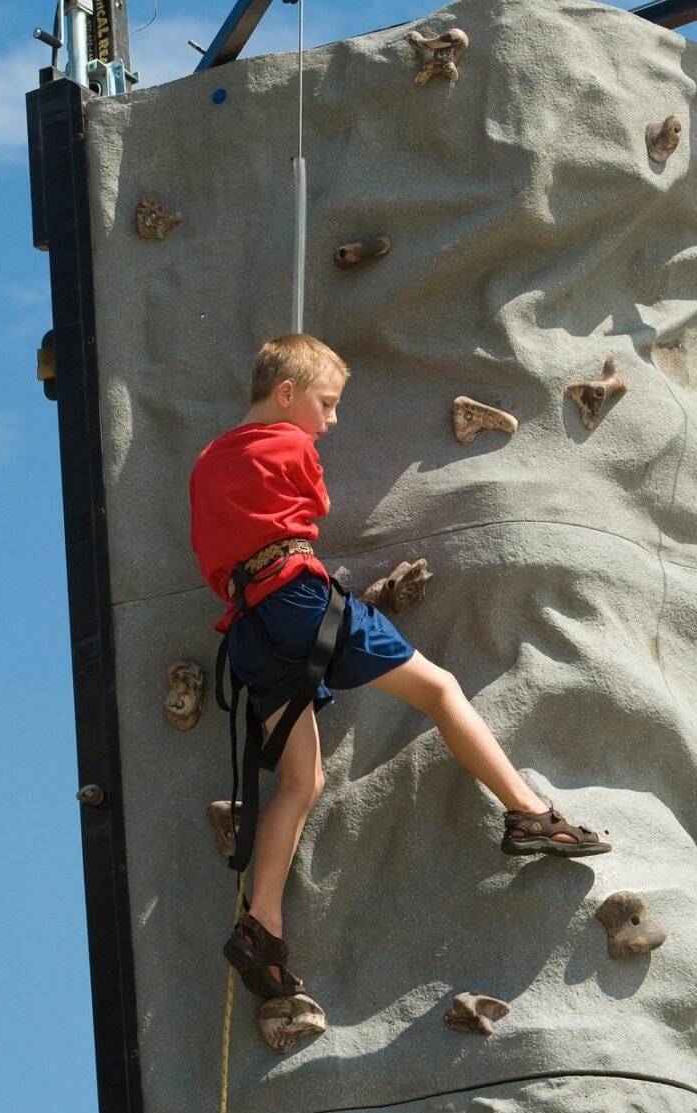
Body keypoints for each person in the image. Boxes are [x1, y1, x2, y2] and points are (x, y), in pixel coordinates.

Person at [189, 333, 610, 999]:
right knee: (441, 689)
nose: (331, 421)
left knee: (303, 780)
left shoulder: (210, 459)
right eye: (326, 404)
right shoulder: (290, 443)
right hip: (297, 597)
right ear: (287, 393)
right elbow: (315, 504)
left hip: (249, 627)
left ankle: (261, 925)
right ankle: (528, 812)